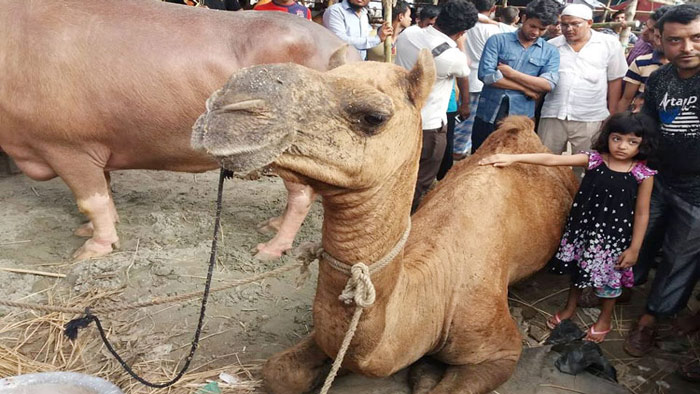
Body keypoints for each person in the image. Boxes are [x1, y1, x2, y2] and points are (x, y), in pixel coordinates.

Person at [480, 111, 658, 343]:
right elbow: (553, 160)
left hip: (613, 239)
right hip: (583, 231)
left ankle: (605, 318)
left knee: (609, 281)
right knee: (577, 271)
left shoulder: (642, 174)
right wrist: (513, 158)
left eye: (632, 142)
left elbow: (643, 213)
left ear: (643, 144)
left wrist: (635, 248)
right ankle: (569, 307)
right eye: (617, 138)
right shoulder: (594, 160)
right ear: (608, 137)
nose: (622, 146)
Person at [623, 3, 700, 358]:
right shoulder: (659, 80)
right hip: (657, 179)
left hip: (697, 192)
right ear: (661, 41)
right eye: (676, 40)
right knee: (641, 235)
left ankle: (651, 319)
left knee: (678, 257)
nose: (686, 48)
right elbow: (648, 127)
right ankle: (625, 283)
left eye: (697, 38)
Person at [395, 0, 477, 212]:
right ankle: (403, 217)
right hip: (429, 125)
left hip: (399, 118)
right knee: (420, 179)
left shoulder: (408, 35)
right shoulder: (452, 57)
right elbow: (464, 73)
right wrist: (465, 104)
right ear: (461, 32)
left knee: (397, 172)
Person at [538, 4, 627, 178]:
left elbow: (615, 80)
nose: (568, 29)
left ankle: (579, 202)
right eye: (564, 24)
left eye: (575, 24)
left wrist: (613, 113)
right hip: (553, 114)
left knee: (587, 166)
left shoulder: (609, 44)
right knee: (545, 164)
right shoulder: (551, 45)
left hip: (590, 116)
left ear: (589, 23)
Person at [471, 0, 561, 153]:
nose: (536, 32)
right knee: (480, 156)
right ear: (523, 18)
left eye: (542, 29)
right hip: (490, 111)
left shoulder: (550, 51)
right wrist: (526, 88)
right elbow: (487, 75)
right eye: (533, 26)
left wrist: (512, 73)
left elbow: (548, 84)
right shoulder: (498, 41)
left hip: (522, 117)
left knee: (514, 162)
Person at [452, 0, 501, 159]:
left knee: (462, 115)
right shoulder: (494, 30)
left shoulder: (467, 25)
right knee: (470, 118)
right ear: (493, 8)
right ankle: (458, 150)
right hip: (480, 79)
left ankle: (457, 148)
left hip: (462, 74)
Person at [616, 7, 672, 113]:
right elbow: (626, 99)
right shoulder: (641, 60)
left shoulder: (686, 65)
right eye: (646, 25)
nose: (644, 32)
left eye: (652, 31)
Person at [323, 0, 392, 60]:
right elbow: (340, 41)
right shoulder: (336, 11)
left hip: (359, 66)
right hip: (340, 67)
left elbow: (367, 33)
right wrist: (377, 39)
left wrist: (381, 31)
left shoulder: (363, 13)